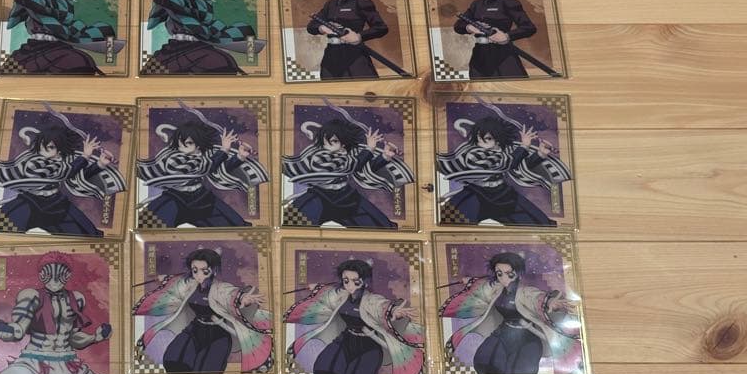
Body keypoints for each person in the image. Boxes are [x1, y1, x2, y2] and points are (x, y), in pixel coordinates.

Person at [285, 258, 424, 374]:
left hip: (368, 345)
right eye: (346, 281)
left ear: (365, 281)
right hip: (346, 340)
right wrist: (317, 287)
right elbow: (329, 294)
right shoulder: (342, 294)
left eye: (355, 282)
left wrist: (394, 311)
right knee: (325, 369)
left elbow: (381, 306)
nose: (350, 286)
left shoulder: (371, 300)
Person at [439, 252, 580, 374]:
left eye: (509, 274)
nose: (504, 278)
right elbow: (484, 286)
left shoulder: (525, 292)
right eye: (499, 273)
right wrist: (470, 281)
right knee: (484, 360)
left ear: (518, 273)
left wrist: (550, 303)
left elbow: (537, 298)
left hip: (526, 339)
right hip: (503, 332)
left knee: (519, 372)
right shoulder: (497, 288)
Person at [134, 248, 272, 374]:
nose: (199, 275)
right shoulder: (191, 284)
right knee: (174, 360)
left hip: (217, 334)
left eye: (204, 271)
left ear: (214, 270)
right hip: (195, 329)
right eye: (195, 271)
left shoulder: (220, 288)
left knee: (205, 371)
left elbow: (230, 294)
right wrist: (165, 279)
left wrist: (243, 298)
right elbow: (178, 286)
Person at [0, 114, 127, 237]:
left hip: (56, 205)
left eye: (51, 147)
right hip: (31, 203)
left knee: (90, 235)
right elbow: (62, 173)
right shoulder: (34, 162)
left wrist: (100, 164)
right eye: (42, 144)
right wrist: (85, 156)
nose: (44, 149)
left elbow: (77, 176)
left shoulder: (63, 161)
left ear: (59, 150)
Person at [0, 254, 113, 374]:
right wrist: (8, 331)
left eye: (60, 274)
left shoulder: (77, 299)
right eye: (49, 274)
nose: (54, 280)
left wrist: (95, 337)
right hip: (33, 365)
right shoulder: (31, 295)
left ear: (67, 275)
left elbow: (73, 338)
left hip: (70, 366)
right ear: (41, 274)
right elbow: (19, 328)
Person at [436, 114, 571, 226]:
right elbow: (504, 164)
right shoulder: (474, 153)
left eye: (488, 138)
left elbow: (521, 166)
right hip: (477, 194)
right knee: (449, 221)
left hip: (503, 195)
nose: (481, 142)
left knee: (541, 224)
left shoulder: (506, 151)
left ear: (498, 140)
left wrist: (540, 153)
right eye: (479, 138)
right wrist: (524, 146)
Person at [283, 116, 413, 228]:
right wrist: (369, 149)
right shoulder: (319, 156)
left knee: (383, 228)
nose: (327, 144)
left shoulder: (348, 155)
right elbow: (348, 166)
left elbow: (364, 169)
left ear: (343, 144)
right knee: (292, 223)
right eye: (325, 140)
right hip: (321, 198)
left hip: (347, 198)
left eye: (334, 141)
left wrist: (385, 156)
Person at [137, 116, 268, 227]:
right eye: (180, 142)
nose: (182, 145)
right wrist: (224, 150)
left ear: (198, 144)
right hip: (177, 199)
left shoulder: (203, 157)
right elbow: (202, 168)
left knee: (236, 226)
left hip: (201, 199)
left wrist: (240, 156)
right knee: (149, 225)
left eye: (188, 143)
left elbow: (218, 169)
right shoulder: (174, 158)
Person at [6, 0, 119, 75]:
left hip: (52, 45)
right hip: (34, 45)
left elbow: (28, 1)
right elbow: (32, 4)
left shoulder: (63, 5)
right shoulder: (46, 2)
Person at [146, 0, 258, 74]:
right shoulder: (187, 2)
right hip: (175, 45)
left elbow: (167, 0)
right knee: (150, 71)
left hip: (193, 46)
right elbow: (172, 4)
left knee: (218, 62)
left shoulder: (201, 5)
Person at [453, 0, 537, 78]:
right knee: (480, 88)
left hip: (504, 55)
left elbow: (529, 28)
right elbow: (458, 26)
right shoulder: (476, 4)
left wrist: (507, 36)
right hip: (479, 57)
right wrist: (470, 27)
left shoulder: (509, 2)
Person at [307, 0, 390, 80]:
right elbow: (311, 26)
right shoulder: (329, 5)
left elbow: (381, 28)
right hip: (331, 57)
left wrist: (359, 36)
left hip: (355, 56)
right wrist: (323, 28)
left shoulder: (362, 2)